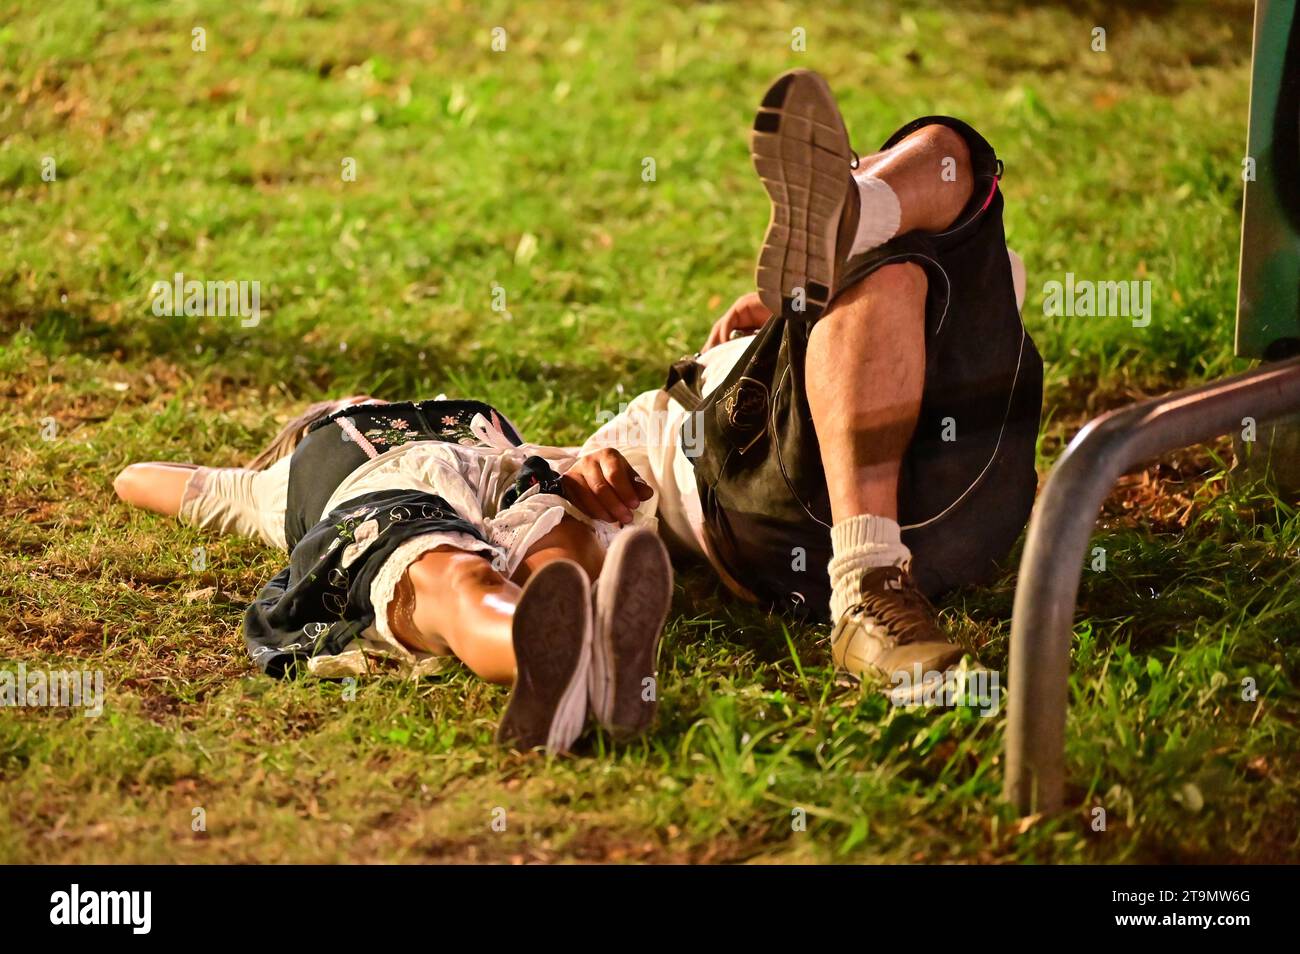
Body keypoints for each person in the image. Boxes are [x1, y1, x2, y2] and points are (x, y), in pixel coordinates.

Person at [578, 69, 1043, 683]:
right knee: (891, 268)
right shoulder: (675, 405)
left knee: (957, 153)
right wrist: (587, 465)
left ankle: (859, 212)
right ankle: (864, 587)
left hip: (966, 490)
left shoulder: (887, 288)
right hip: (784, 514)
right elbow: (562, 479)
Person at [114, 395, 673, 754]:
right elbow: (135, 477)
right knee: (458, 580)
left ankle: (585, 662)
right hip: (393, 490)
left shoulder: (477, 423)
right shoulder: (272, 485)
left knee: (557, 545)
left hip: (509, 475)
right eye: (341, 404)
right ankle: (570, 654)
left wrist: (592, 463)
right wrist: (246, 470)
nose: (368, 399)